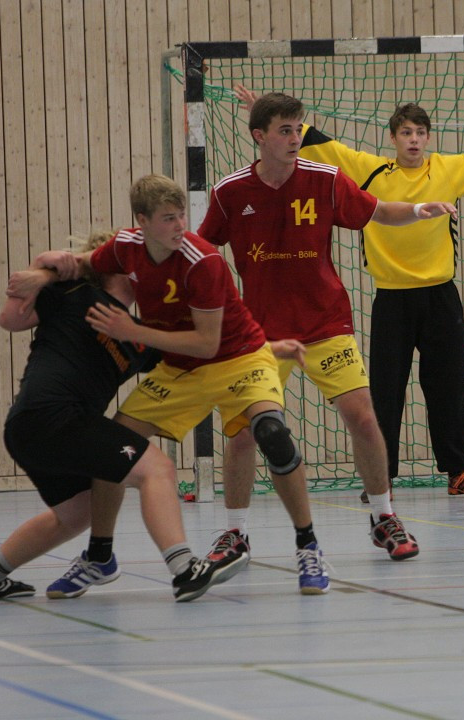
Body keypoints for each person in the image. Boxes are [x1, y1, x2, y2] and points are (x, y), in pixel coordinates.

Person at [235, 84, 464, 498]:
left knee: (449, 385)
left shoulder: (448, 170)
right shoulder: (370, 170)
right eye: (406, 133)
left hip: (440, 296)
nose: (414, 140)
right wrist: (264, 110)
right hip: (391, 299)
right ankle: (382, 475)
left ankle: (459, 471)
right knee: (384, 390)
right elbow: (320, 144)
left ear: (428, 138)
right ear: (393, 139)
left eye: (420, 133)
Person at [37, 174, 333, 594]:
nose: (180, 226)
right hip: (180, 371)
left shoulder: (203, 260)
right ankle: (100, 555)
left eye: (181, 216)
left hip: (238, 358)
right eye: (167, 218)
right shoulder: (126, 247)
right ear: (141, 221)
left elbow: (207, 343)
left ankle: (308, 545)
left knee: (272, 433)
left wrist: (132, 331)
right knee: (110, 449)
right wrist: (48, 268)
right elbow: (86, 265)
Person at [197, 92, 458, 562]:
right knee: (241, 432)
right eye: (284, 130)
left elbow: (379, 211)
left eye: (299, 128)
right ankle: (234, 532)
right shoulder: (230, 192)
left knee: (363, 416)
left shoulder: (327, 179)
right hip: (260, 335)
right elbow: (202, 249)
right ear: (259, 136)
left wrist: (421, 210)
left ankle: (383, 517)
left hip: (325, 324)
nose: (296, 137)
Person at [0, 232, 247, 603]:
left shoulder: (138, 335)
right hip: (47, 415)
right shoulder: (73, 293)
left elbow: (202, 353)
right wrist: (39, 271)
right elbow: (10, 319)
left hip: (44, 430)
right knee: (157, 469)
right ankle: (184, 568)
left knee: (78, 514)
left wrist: (270, 348)